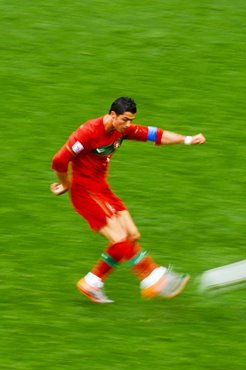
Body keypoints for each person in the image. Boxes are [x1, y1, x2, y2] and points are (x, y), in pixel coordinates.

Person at [51, 96, 206, 303]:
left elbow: (155, 135)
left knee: (131, 235)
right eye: (125, 119)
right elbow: (59, 160)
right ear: (112, 115)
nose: (129, 125)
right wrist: (66, 184)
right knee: (120, 238)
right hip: (84, 192)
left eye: (131, 120)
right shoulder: (88, 133)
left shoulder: (122, 130)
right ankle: (150, 275)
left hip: (102, 189)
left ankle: (92, 282)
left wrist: (187, 139)